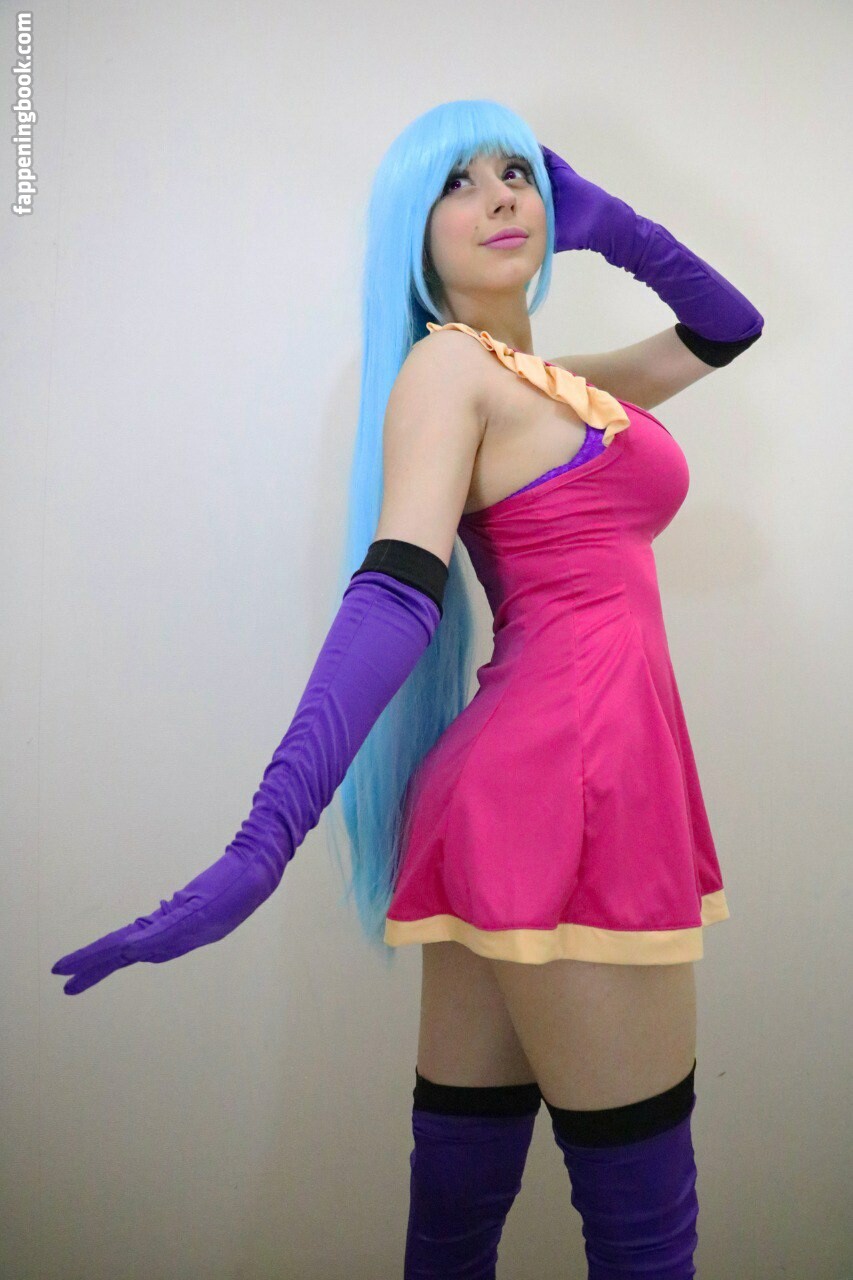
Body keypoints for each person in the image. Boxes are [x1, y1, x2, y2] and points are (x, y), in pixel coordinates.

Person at [51, 99, 763, 1278]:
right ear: (410, 232)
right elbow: (393, 595)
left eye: (516, 173)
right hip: (576, 791)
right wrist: (262, 841)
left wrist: (609, 223)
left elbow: (727, 327)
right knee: (646, 1239)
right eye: (456, 183)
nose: (499, 196)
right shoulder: (449, 367)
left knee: (454, 1225)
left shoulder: (552, 383)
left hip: (524, 793)